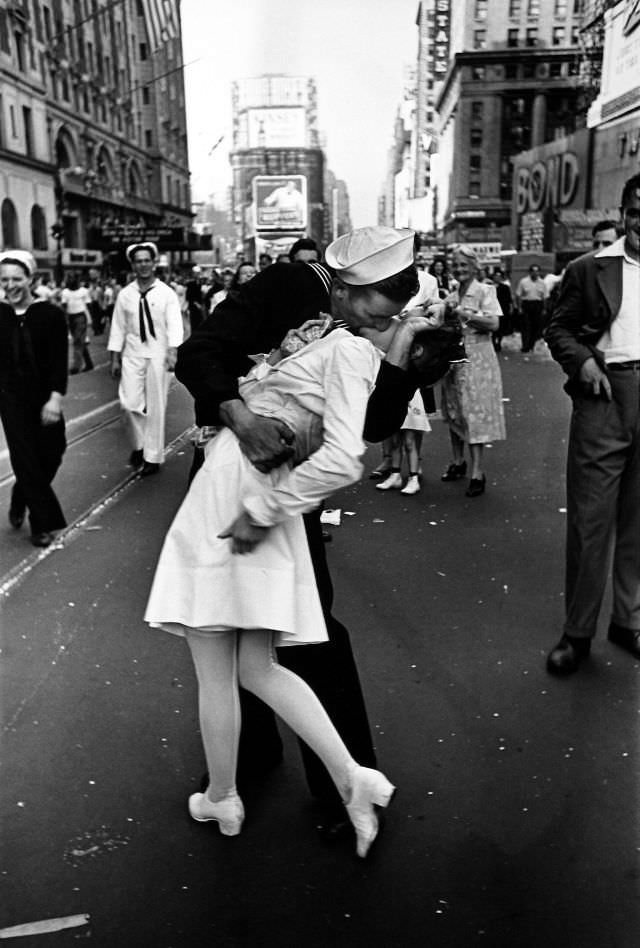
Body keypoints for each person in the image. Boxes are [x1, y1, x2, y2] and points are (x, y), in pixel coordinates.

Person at [174, 226, 440, 837]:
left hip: (292, 485)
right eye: (380, 309)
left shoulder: (376, 332)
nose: (384, 322)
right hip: (232, 464)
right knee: (234, 619)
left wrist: (399, 358)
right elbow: (199, 354)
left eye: (397, 314)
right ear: (351, 286)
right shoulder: (293, 283)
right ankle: (248, 760)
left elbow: (371, 429)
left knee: (303, 620)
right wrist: (240, 418)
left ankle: (342, 779)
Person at [544, 173, 640, 675]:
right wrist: (580, 361)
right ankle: (576, 634)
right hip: (605, 395)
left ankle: (629, 621)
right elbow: (556, 327)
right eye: (637, 213)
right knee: (590, 523)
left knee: (638, 523)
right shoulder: (589, 268)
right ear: (624, 214)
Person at [0, 251, 68, 547]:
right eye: (4, 279)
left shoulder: (50, 315)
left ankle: (21, 494)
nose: (10, 285)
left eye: (17, 278)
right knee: (25, 457)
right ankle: (41, 524)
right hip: (10, 399)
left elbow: (58, 360)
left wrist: (54, 398)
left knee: (53, 452)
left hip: (44, 396)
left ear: (30, 279)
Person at [107, 242, 183, 476]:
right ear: (133, 265)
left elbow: (174, 324)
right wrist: (115, 358)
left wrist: (173, 352)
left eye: (147, 260)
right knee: (129, 404)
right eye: (138, 261)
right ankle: (139, 446)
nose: (143, 265)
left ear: (154, 263)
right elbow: (118, 327)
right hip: (132, 354)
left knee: (157, 406)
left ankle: (153, 457)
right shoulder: (125, 295)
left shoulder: (166, 293)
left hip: (159, 355)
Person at [439, 245, 506, 497]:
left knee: (474, 413)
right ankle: (458, 462)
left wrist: (461, 314)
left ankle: (477, 472)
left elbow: (493, 323)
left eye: (464, 265)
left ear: (475, 266)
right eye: (455, 265)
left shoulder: (485, 291)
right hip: (454, 359)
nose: (459, 269)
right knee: (455, 411)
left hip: (478, 359)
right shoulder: (453, 293)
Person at [60, 273, 93, 374]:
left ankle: (76, 366)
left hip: (80, 317)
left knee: (78, 341)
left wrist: (89, 318)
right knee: (79, 341)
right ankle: (89, 363)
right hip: (71, 317)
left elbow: (89, 305)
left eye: (73, 279)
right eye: (69, 279)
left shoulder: (84, 291)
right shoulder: (65, 292)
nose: (71, 281)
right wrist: (65, 320)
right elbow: (64, 306)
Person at [515, 264, 548, 353]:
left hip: (537, 305)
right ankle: (525, 346)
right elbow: (518, 295)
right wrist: (519, 307)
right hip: (527, 304)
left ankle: (531, 345)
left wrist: (544, 309)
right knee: (525, 326)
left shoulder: (542, 283)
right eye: (533, 271)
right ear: (530, 272)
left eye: (537, 271)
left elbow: (545, 297)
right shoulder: (523, 281)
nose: (535, 273)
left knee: (536, 326)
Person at [492, 268, 514, 351]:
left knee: (501, 327)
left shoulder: (505, 287)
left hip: (503, 309)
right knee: (493, 327)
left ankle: (499, 342)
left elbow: (509, 299)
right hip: (492, 310)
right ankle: (493, 342)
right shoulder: (489, 287)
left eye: (499, 276)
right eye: (496, 276)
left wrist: (511, 308)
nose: (497, 278)